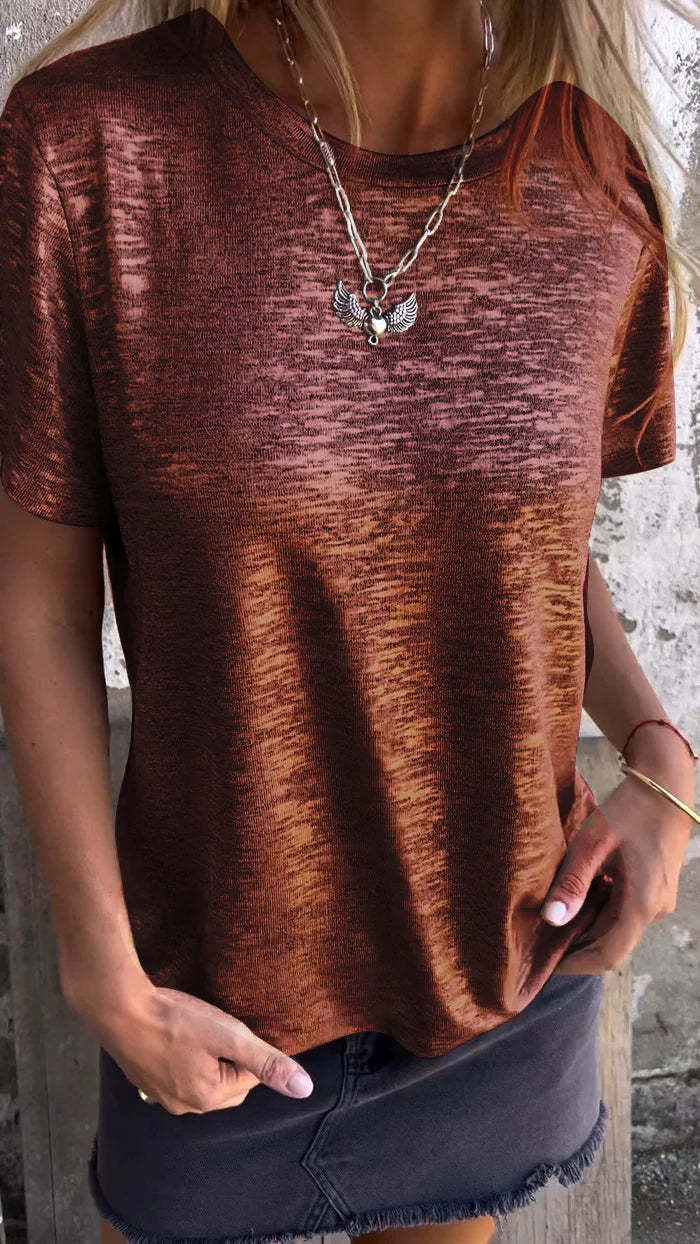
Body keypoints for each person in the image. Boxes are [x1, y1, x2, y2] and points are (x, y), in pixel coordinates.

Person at [0, 2, 697, 1242]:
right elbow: (39, 595)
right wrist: (101, 968)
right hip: (204, 990)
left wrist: (660, 753)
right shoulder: (90, 145)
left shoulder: (598, 182)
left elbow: (526, 547)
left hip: (503, 968)